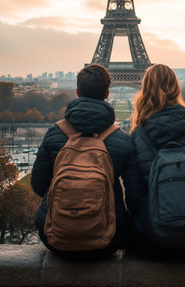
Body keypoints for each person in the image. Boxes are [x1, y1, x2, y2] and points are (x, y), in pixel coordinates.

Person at [31, 63, 137, 259]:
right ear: (107, 94)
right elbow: (135, 196)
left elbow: (38, 185)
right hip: (109, 239)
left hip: (56, 237)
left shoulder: (54, 134)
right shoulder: (122, 140)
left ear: (77, 92)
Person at [126, 63, 185, 259]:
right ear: (176, 88)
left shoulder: (137, 137)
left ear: (144, 91)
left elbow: (134, 199)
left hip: (154, 239)